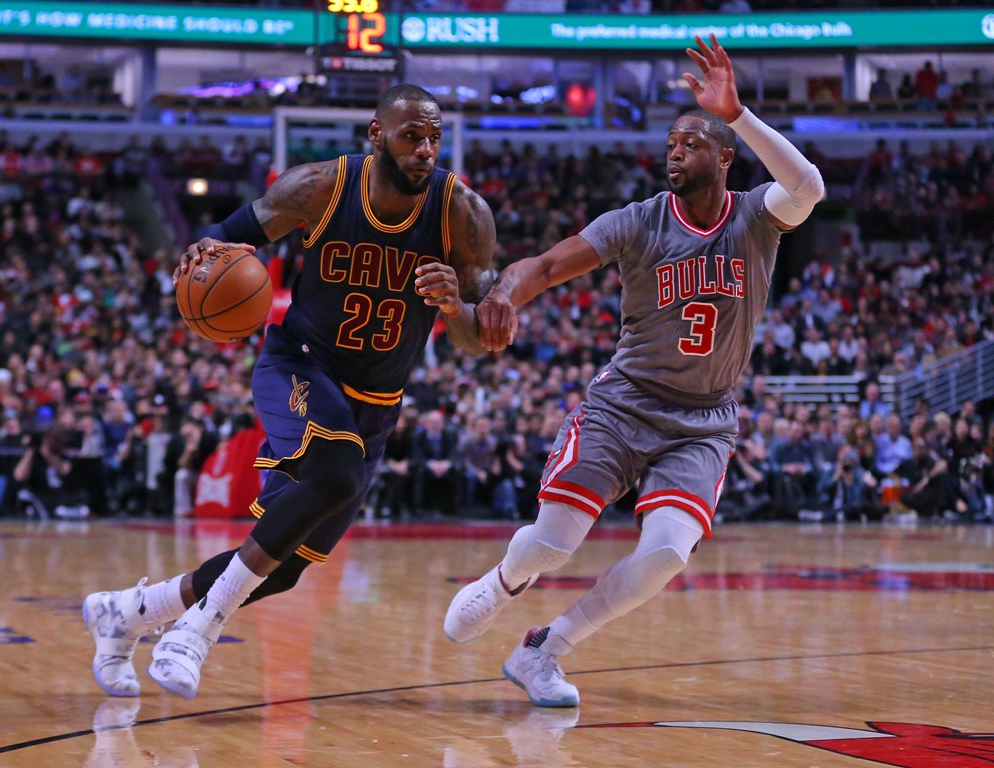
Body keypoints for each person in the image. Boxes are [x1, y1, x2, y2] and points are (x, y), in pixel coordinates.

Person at [83, 84, 504, 699]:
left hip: (376, 405)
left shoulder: (464, 215)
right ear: (376, 134)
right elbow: (224, 236)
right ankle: (196, 631)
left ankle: (129, 613)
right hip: (299, 366)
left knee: (282, 570)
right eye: (413, 135)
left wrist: (453, 307)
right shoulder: (320, 187)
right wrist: (200, 255)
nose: (426, 149)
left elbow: (475, 340)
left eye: (434, 137)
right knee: (333, 475)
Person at [444, 35, 824, 708]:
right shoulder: (639, 221)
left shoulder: (757, 217)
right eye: (671, 143)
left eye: (692, 142)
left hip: (704, 420)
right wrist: (503, 293)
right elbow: (551, 264)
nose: (675, 152)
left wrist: (736, 111)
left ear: (726, 156)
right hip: (624, 403)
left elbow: (809, 186)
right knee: (553, 546)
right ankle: (505, 580)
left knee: (667, 555)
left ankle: (544, 649)